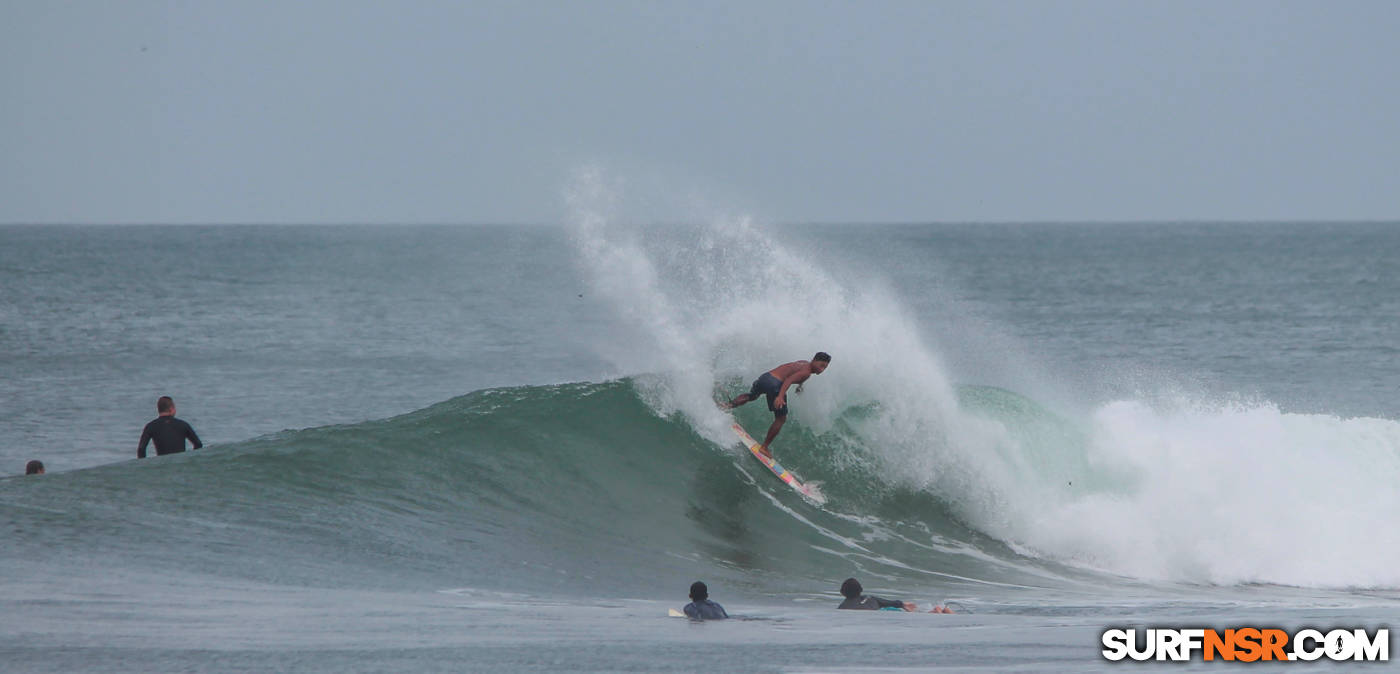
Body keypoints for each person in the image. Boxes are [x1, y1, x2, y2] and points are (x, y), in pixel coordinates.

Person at [722, 352, 831, 459]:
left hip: (766, 377)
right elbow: (789, 380)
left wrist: (800, 386)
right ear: (815, 360)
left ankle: (726, 406)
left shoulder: (803, 363)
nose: (821, 370)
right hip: (775, 384)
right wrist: (780, 396)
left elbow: (794, 374)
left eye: (824, 368)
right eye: (821, 365)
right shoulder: (806, 373)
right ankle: (764, 447)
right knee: (781, 418)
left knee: (752, 396)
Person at [138, 396, 203, 459]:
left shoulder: (151, 426)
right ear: (171, 409)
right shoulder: (183, 425)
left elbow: (141, 449)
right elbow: (198, 444)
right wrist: (191, 460)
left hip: (162, 465)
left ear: (158, 410)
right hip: (180, 464)